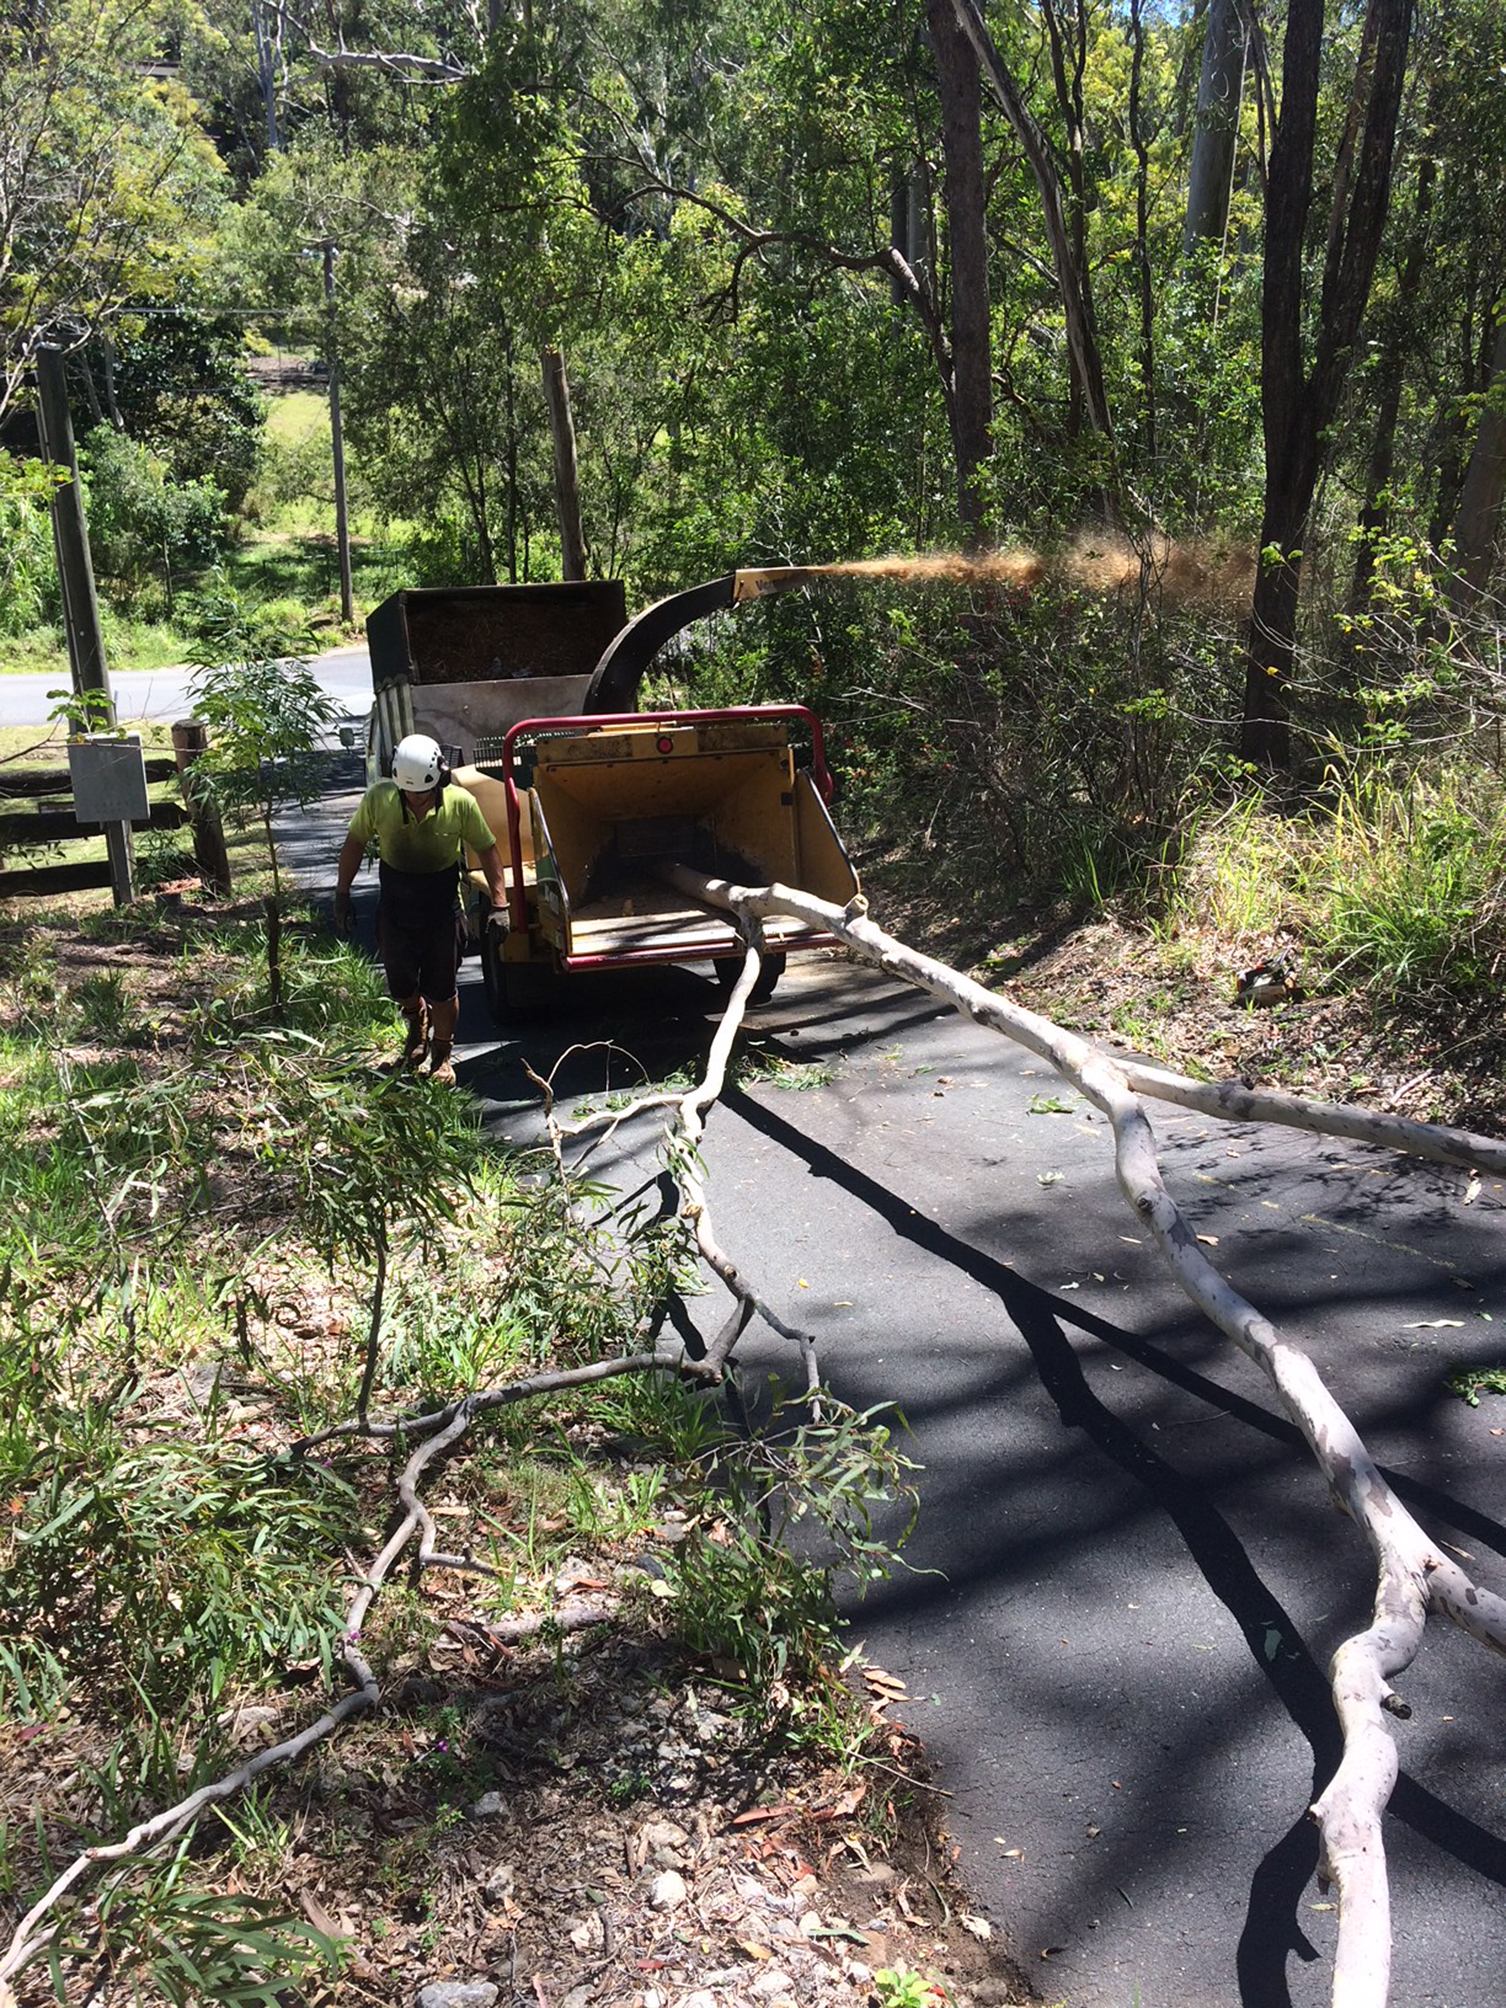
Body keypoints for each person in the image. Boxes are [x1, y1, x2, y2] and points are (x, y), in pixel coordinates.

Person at [333, 733, 507, 1084]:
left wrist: (500, 904)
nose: (415, 798)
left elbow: (487, 849)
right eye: (409, 791)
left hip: (442, 909)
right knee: (400, 985)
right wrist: (341, 893)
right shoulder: (379, 800)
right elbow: (355, 842)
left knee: (442, 989)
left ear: (439, 778)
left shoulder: (460, 803)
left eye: (423, 791)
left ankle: (442, 1055)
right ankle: (416, 1022)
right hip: (396, 908)